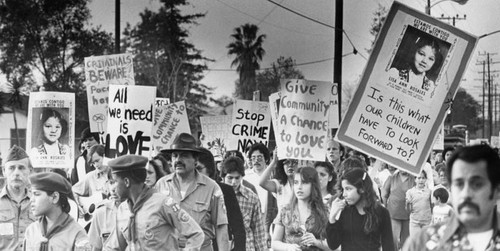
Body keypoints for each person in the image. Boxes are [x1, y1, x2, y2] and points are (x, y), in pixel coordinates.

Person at [403, 144, 500, 250]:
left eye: (477, 185)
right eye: (459, 184)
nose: (466, 194)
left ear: (497, 191)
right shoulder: (422, 243)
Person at [104, 154, 204, 250]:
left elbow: (195, 234)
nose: (112, 188)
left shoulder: (163, 204)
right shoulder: (123, 209)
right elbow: (113, 247)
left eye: (115, 181)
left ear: (126, 182)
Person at [155, 133, 229, 251]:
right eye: (175, 156)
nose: (178, 160)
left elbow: (221, 227)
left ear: (195, 160)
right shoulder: (161, 185)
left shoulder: (212, 188)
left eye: (184, 156)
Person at [327, 168, 394, 251]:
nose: (344, 194)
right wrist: (332, 219)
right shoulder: (344, 211)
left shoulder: (382, 212)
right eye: (343, 189)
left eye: (348, 189)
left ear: (362, 188)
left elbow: (389, 246)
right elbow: (333, 245)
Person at [24, 172, 89, 250]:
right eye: (31, 194)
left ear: (54, 197)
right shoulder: (31, 231)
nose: (31, 200)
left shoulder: (77, 234)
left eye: (37, 194)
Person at [197, 147, 246, 251]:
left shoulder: (224, 191)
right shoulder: (180, 192)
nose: (194, 173)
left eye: (198, 169)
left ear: (209, 169)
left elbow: (238, 229)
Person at [272, 166, 331, 251]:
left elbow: (336, 247)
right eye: (296, 182)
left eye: (304, 182)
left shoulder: (325, 211)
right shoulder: (285, 210)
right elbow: (274, 243)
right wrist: (288, 247)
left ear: (313, 185)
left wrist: (317, 242)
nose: (299, 187)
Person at [222, 156, 266, 251]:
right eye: (230, 178)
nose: (233, 182)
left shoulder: (251, 197)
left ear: (242, 177)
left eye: (237, 178)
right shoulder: (216, 195)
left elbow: (258, 231)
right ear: (223, 177)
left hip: (247, 246)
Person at [0, 146, 36, 251]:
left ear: (30, 170)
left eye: (21, 168)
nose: (16, 173)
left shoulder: (39, 202)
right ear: (3, 171)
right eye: (11, 168)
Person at [73, 144, 109, 217]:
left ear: (105, 156)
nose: (96, 165)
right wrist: (78, 206)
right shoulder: (90, 176)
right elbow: (72, 191)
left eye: (97, 161)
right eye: (93, 163)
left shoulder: (116, 175)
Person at [382, 169, 416, 250]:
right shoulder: (391, 178)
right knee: (392, 240)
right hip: (393, 214)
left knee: (406, 242)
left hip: (408, 215)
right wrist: (386, 206)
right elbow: (384, 194)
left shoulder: (414, 179)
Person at [88, 178, 123, 251]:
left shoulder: (138, 211)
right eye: (111, 182)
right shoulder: (101, 213)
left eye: (116, 181)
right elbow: (94, 246)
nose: (113, 189)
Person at [405, 170, 432, 236]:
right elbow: (408, 210)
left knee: (426, 242)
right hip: (414, 222)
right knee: (415, 242)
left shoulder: (429, 192)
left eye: (423, 178)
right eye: (419, 178)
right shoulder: (410, 192)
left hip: (427, 222)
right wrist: (408, 204)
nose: (421, 180)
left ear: (426, 180)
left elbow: (432, 205)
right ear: (415, 179)